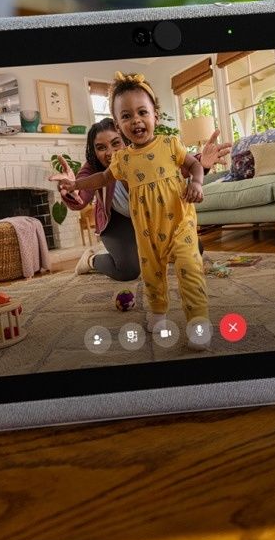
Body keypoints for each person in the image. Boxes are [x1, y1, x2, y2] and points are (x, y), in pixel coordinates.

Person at [51, 72, 212, 345]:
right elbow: (101, 179)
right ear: (119, 124)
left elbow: (194, 164)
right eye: (126, 116)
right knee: (151, 274)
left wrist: (197, 181)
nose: (135, 120)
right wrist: (74, 183)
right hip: (145, 230)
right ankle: (158, 313)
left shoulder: (170, 144)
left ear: (155, 116)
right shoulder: (122, 159)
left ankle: (198, 324)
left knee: (190, 267)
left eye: (142, 112)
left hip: (180, 223)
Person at [57, 118, 230, 281]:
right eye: (101, 147)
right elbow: (82, 195)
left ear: (125, 139)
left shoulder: (143, 153)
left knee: (195, 249)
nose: (109, 152)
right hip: (118, 222)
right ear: (94, 151)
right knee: (128, 270)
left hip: (150, 218)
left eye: (115, 143)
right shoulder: (93, 168)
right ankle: (91, 259)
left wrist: (202, 162)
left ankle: (150, 251)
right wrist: (72, 188)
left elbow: (176, 167)